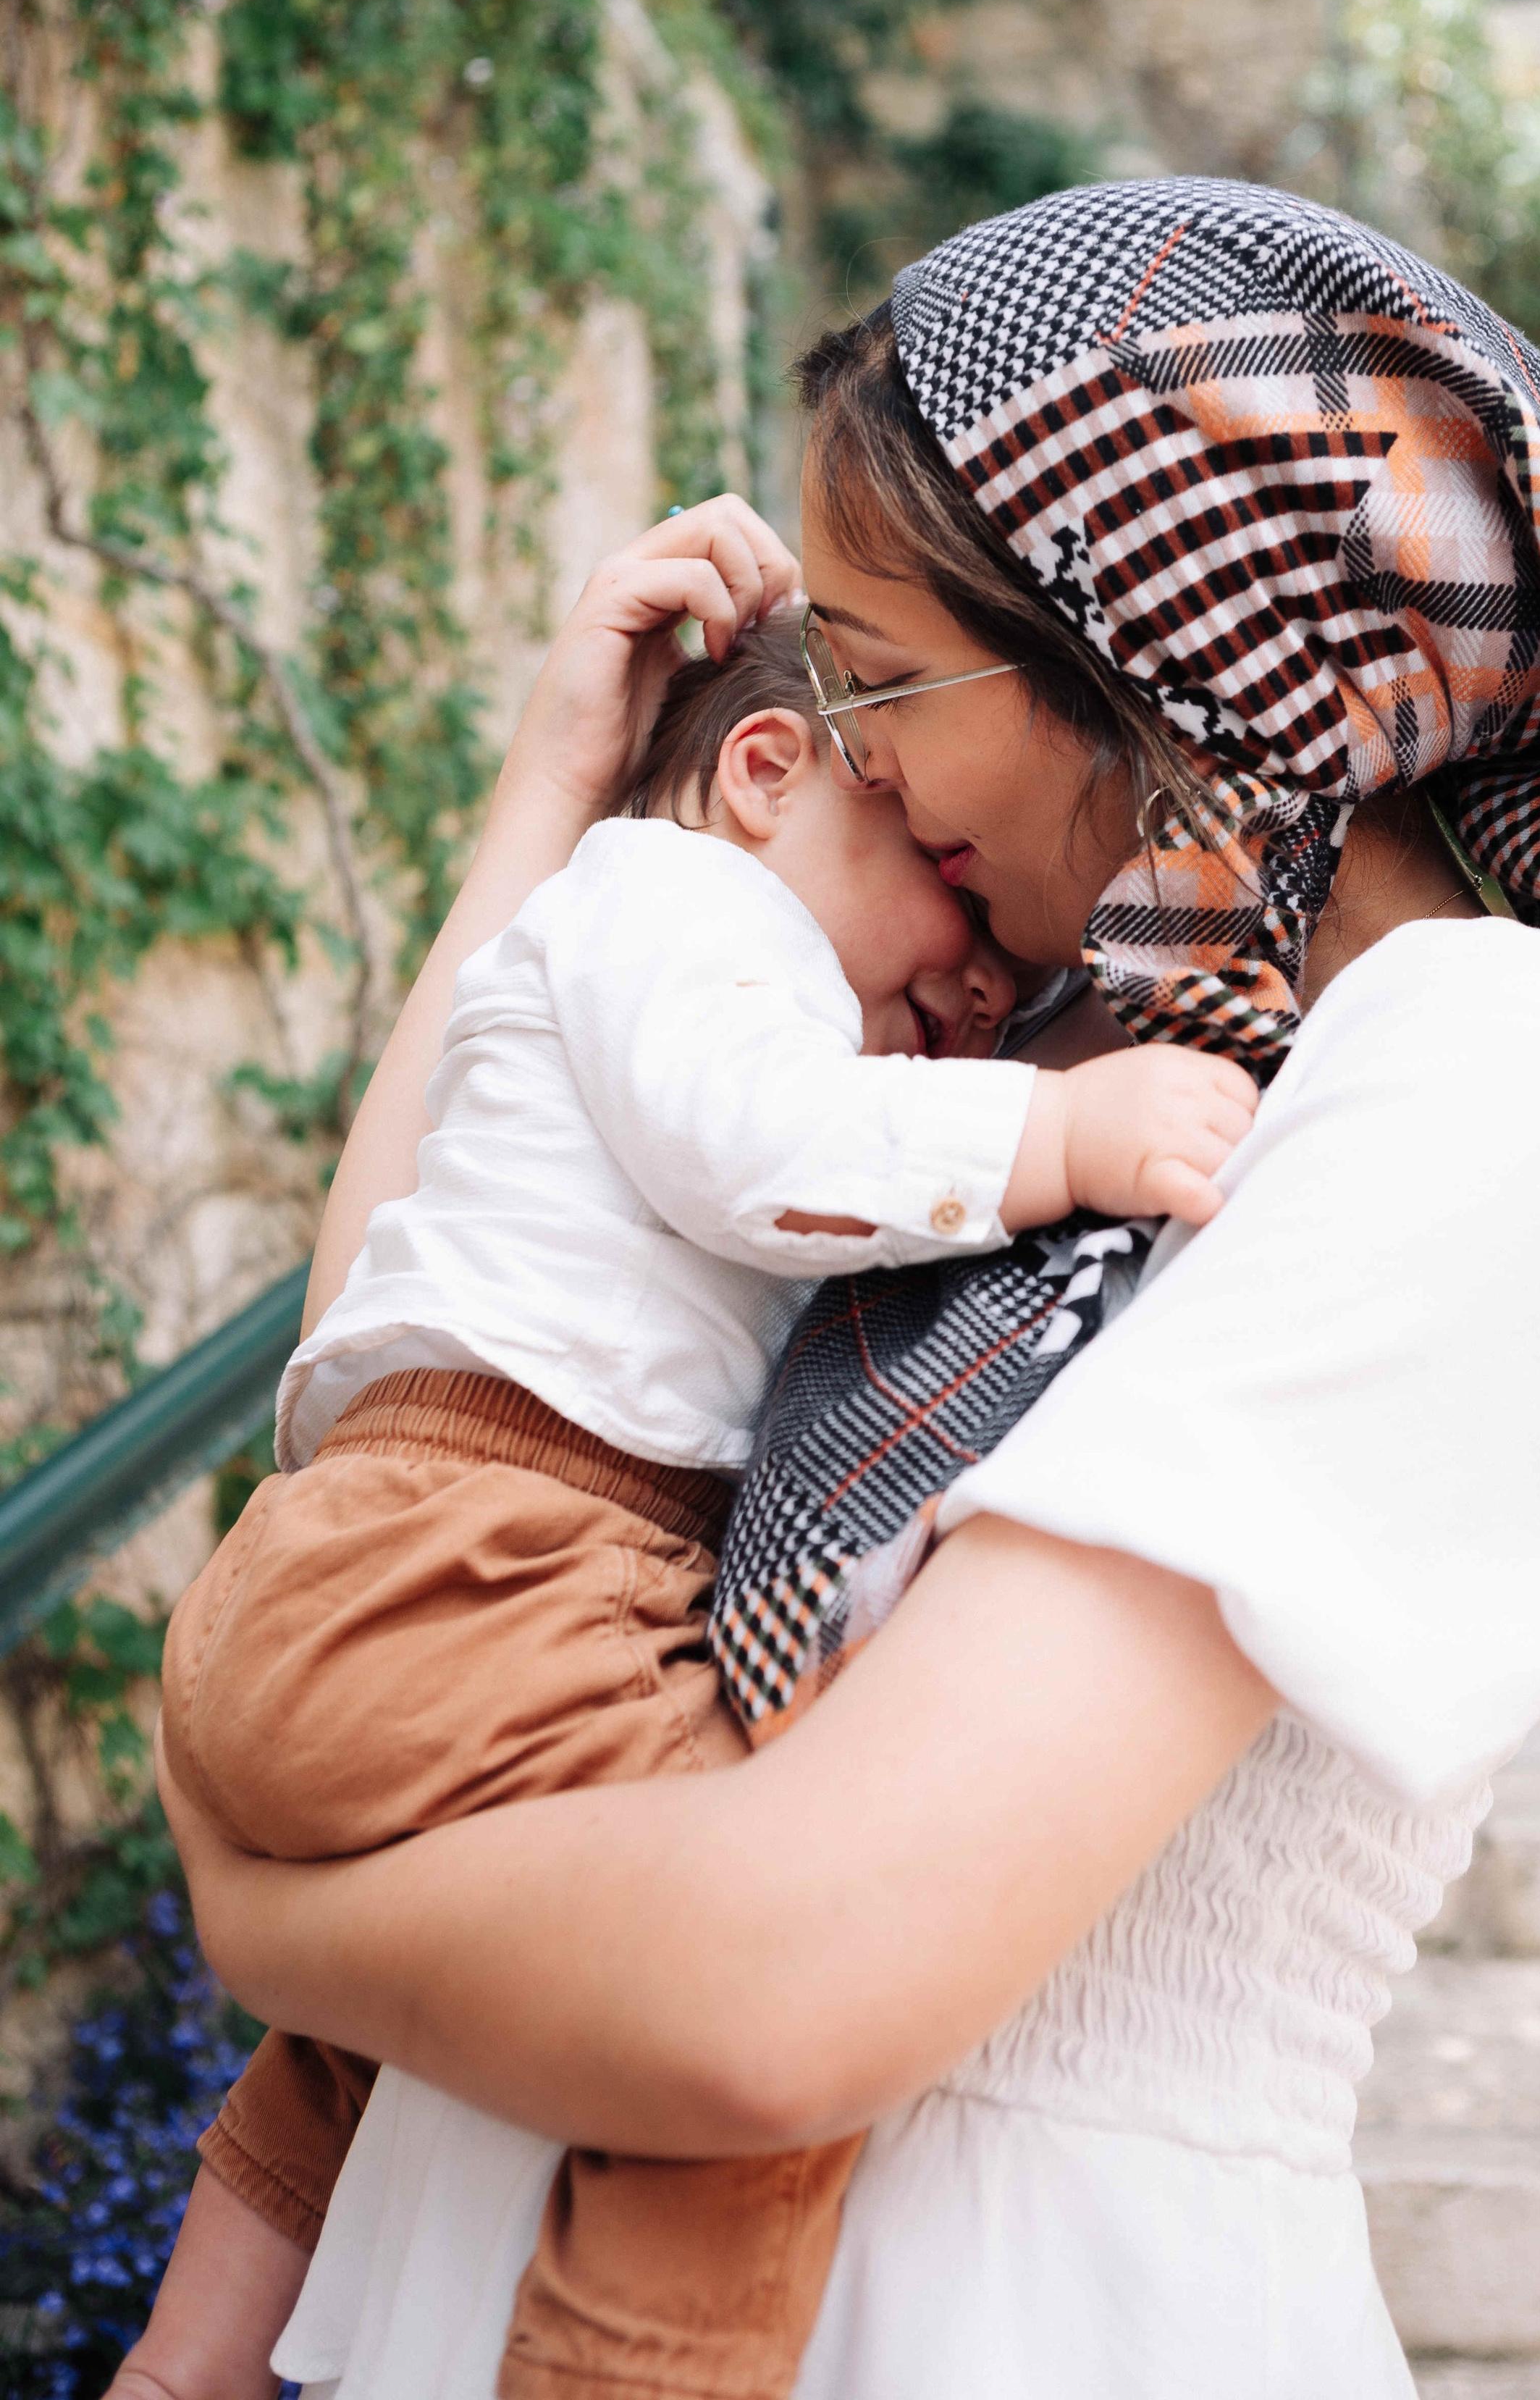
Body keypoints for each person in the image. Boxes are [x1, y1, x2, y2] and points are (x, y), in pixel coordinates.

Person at [151, 181, 1540, 2400]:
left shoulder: (1493, 1074)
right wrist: (562, 797)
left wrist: (264, 1906)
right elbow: (410, 1352)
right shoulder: (1003, 1055)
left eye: (881, 677)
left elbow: (783, 1990)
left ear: (1153, 634)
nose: (847, 752)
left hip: (982, 2319)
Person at [144, 597, 1253, 2400]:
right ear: (763, 772)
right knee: (746, 1988)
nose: (990, 990)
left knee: (415, 2014)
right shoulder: (681, 906)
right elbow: (758, 1146)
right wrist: (1054, 1133)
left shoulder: (652, 956)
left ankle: (187, 2362)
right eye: (956, 895)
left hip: (391, 1569)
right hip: (483, 1557)